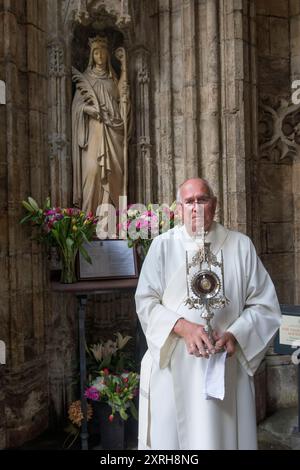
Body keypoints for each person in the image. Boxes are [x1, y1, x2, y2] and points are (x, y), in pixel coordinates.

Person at [135, 177, 281, 450]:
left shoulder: (240, 246)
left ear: (214, 205)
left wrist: (236, 334)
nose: (196, 207)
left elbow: (265, 305)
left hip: (225, 366)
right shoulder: (162, 247)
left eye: (202, 199)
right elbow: (145, 301)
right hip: (175, 364)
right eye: (189, 201)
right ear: (179, 208)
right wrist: (182, 327)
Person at [72, 36, 131, 215]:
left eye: (102, 52)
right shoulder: (86, 79)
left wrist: (124, 66)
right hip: (94, 133)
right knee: (93, 172)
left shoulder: (113, 79)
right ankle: (89, 221)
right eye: (96, 52)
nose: (100, 56)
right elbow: (76, 108)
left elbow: (122, 97)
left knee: (114, 175)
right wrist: (88, 109)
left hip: (114, 133)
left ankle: (112, 222)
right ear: (92, 55)